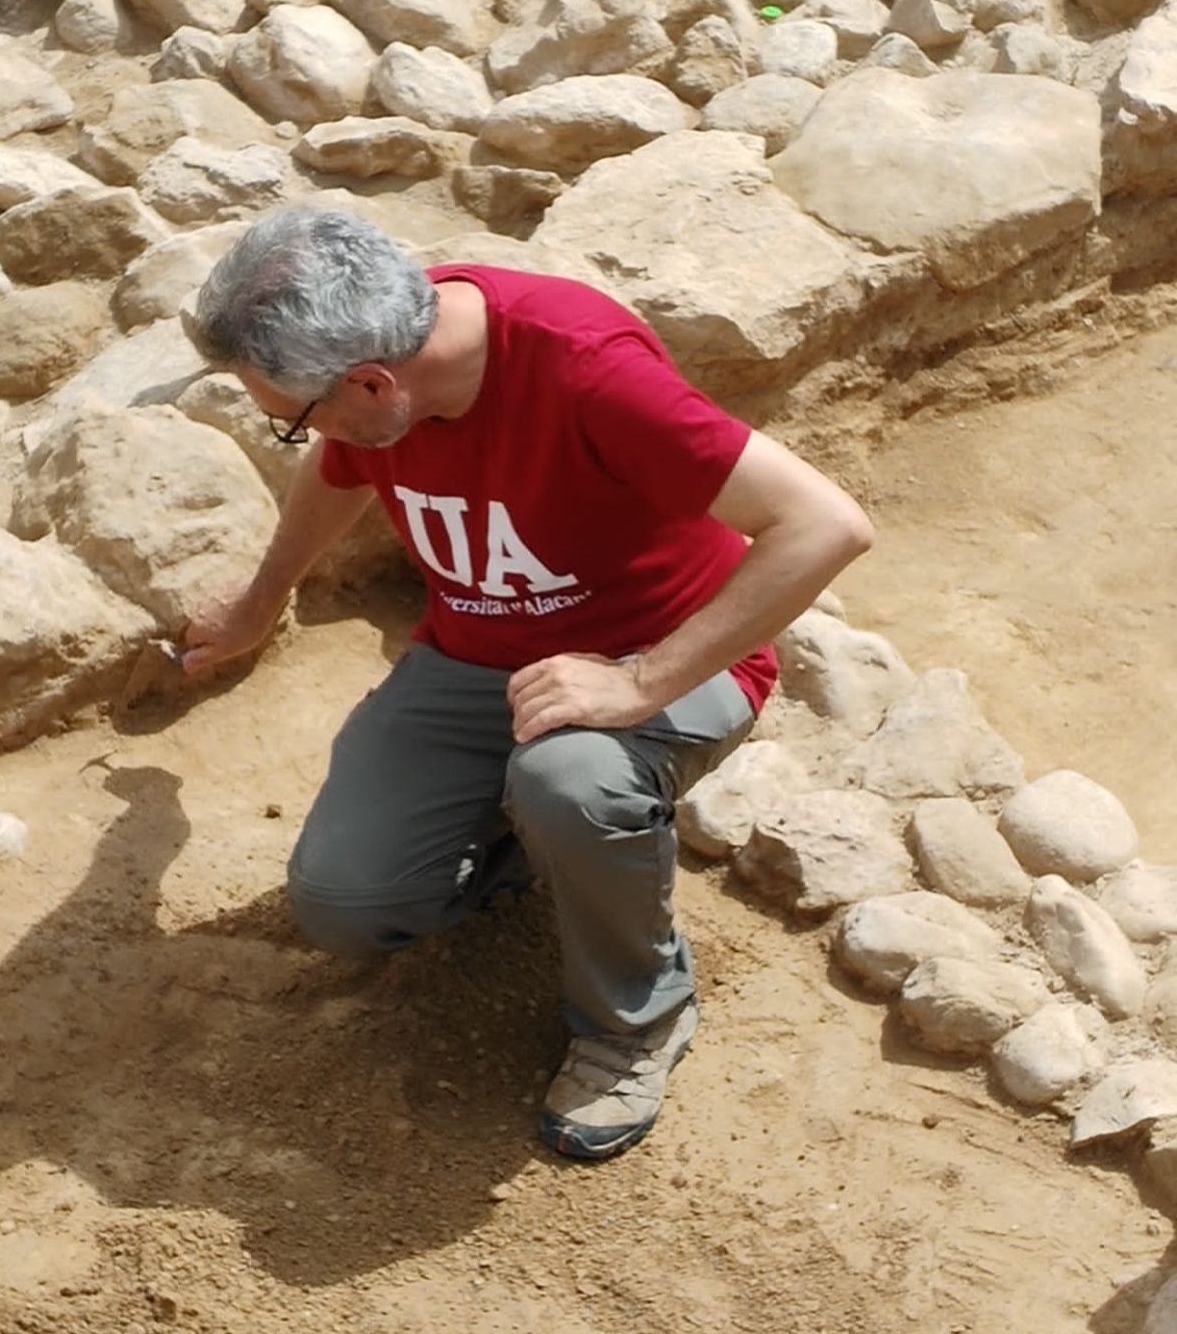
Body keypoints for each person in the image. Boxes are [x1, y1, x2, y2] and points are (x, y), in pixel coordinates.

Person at [182, 205, 873, 1161]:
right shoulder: (385, 369)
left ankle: (637, 1017)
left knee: (573, 784)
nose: (298, 438)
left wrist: (640, 683)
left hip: (653, 654)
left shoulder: (585, 368)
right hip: (476, 659)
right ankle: (557, 853)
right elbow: (341, 469)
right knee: (348, 903)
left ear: (373, 381)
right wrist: (262, 599)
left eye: (288, 423)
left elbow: (826, 523)